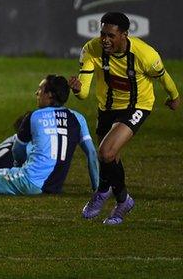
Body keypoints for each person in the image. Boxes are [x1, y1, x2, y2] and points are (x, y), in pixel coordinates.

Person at [69, 12, 179, 225]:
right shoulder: (92, 49)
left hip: (137, 106)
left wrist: (174, 97)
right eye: (102, 34)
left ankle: (102, 191)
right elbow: (83, 94)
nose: (105, 39)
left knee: (106, 151)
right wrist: (77, 90)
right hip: (107, 107)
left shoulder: (145, 55)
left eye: (110, 35)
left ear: (125, 35)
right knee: (110, 156)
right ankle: (123, 201)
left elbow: (163, 77)